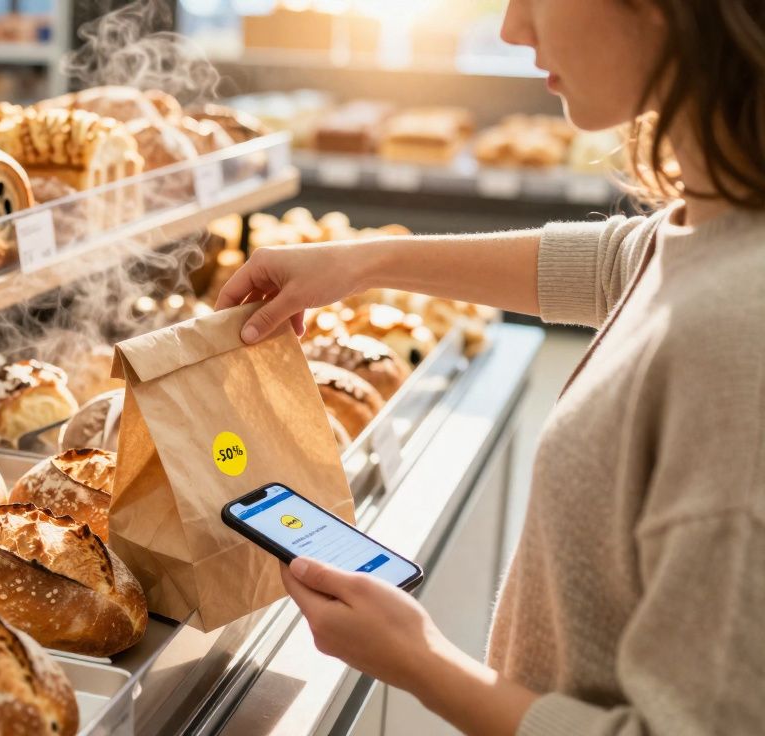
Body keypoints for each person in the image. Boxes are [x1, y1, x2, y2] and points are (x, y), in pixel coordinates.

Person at [215, 0, 765, 733]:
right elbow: (628, 263)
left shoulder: (736, 341)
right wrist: (367, 260)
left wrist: (420, 660)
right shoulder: (721, 221)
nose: (512, 28)